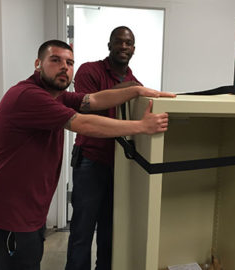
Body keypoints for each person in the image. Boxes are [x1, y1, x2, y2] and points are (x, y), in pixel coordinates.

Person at [0, 39, 175, 270]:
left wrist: (136, 90)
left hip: (28, 212)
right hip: (11, 215)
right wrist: (141, 126)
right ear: (38, 64)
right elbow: (82, 123)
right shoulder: (28, 95)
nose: (64, 67)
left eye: (69, 62)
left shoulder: (56, 95)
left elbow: (94, 100)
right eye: (56, 60)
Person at [64, 26, 144, 270]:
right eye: (118, 42)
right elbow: (87, 105)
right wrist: (131, 89)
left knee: (111, 231)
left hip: (119, 167)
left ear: (133, 49)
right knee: (82, 230)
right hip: (90, 162)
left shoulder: (133, 81)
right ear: (109, 45)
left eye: (128, 43)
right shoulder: (90, 70)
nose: (123, 47)